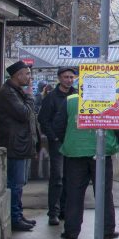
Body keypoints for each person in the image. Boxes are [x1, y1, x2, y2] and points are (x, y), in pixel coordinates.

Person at [59, 93, 119, 239]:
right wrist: (112, 142)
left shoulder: (71, 100)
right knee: (104, 193)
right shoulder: (110, 98)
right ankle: (107, 229)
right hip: (102, 151)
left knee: (74, 193)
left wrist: (71, 141)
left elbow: (58, 125)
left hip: (75, 153)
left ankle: (71, 230)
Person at [0, 60, 40, 232]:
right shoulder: (8, 93)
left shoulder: (16, 92)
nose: (29, 77)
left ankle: (18, 214)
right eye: (27, 74)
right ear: (18, 75)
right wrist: (29, 98)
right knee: (15, 184)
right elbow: (23, 114)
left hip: (22, 145)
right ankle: (14, 217)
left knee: (19, 183)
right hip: (15, 146)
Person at [37, 67, 77, 226]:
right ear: (59, 78)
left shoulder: (77, 95)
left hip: (73, 141)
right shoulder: (51, 97)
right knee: (57, 177)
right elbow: (43, 119)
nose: (69, 80)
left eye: (71, 77)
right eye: (66, 77)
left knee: (69, 177)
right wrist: (53, 137)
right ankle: (53, 212)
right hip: (58, 142)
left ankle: (64, 210)